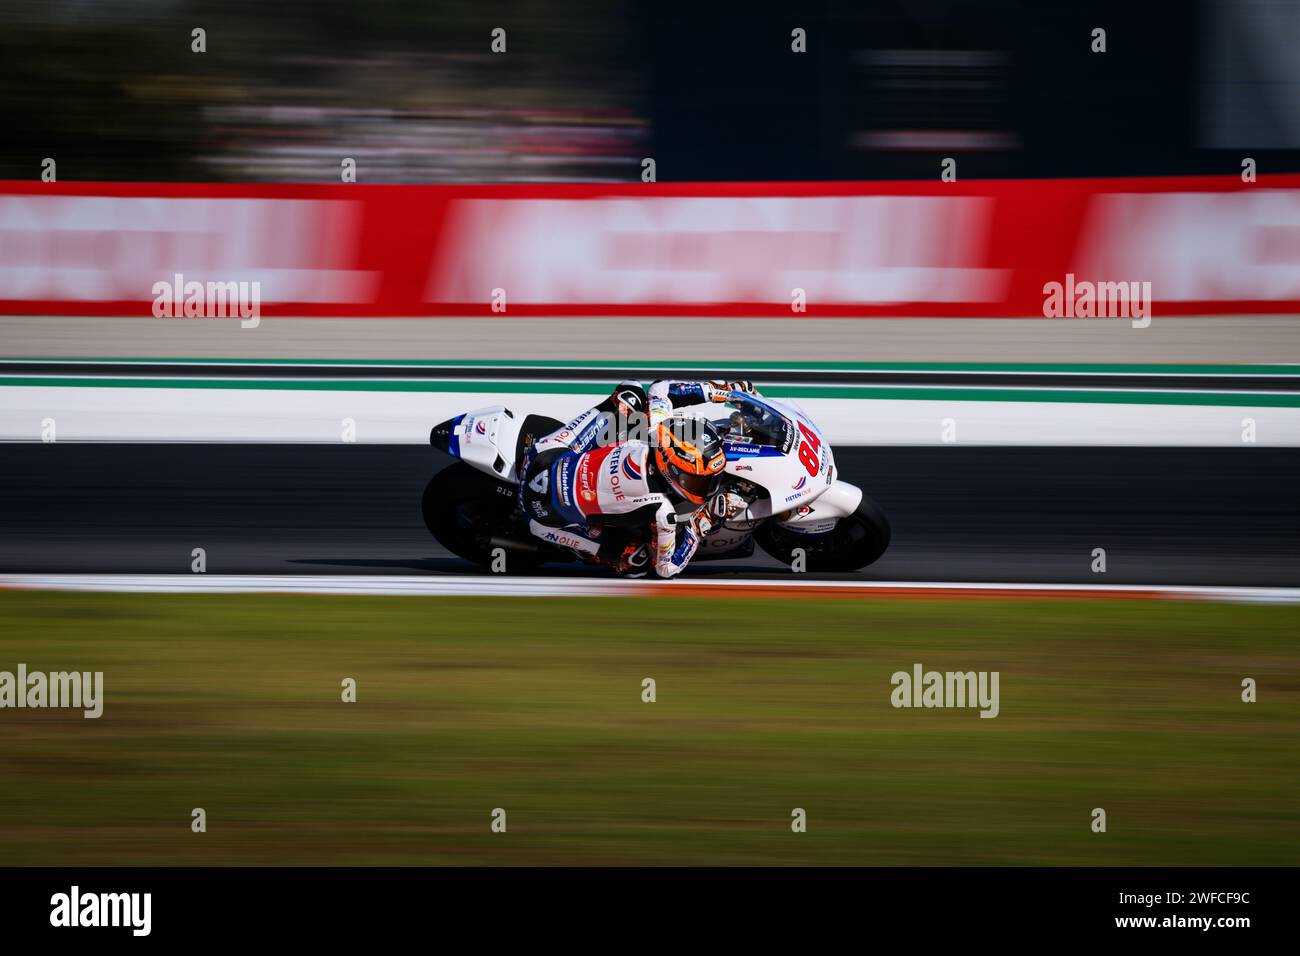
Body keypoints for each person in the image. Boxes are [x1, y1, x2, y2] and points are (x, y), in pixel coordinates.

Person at [517, 380, 754, 577]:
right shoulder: (664, 512)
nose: (706, 489)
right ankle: (572, 546)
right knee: (635, 560)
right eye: (696, 481)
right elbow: (666, 568)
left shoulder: (656, 430)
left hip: (545, 452)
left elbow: (660, 388)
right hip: (542, 517)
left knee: (630, 394)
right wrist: (705, 519)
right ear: (671, 470)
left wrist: (723, 391)